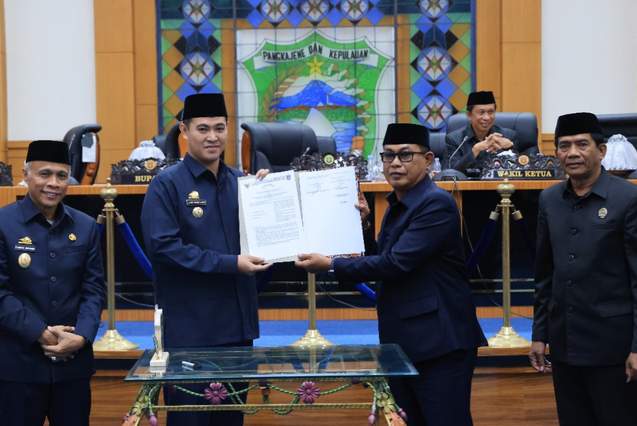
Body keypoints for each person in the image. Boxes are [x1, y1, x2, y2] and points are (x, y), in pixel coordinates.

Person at [295, 123, 487, 426]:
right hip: (408, 339)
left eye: (405, 155)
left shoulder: (435, 203)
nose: (395, 163)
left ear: (428, 160)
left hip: (440, 343)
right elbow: (385, 257)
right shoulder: (400, 202)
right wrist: (364, 226)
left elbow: (396, 264)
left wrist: (330, 264)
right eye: (388, 156)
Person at [141, 93, 271, 426]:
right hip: (190, 332)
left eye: (219, 128)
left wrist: (269, 198)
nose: (212, 137)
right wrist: (231, 264)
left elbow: (266, 243)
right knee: (190, 419)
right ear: (184, 131)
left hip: (237, 331)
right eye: (202, 129)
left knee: (230, 420)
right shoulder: (166, 185)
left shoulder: (243, 184)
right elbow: (164, 248)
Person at [529, 112, 637, 426]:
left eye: (582, 144)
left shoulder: (628, 198)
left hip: (613, 347)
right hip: (565, 344)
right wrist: (539, 334)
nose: (572, 153)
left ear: (601, 151)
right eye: (564, 146)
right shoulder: (549, 199)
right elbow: (544, 273)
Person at [0, 140, 105, 426]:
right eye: (44, 174)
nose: (53, 184)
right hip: (18, 367)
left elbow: (94, 289)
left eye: (61, 175)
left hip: (73, 366)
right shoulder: (3, 223)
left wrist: (82, 336)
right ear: (26, 174)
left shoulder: (85, 226)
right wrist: (40, 333)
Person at [445, 90, 518, 174]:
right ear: (469, 115)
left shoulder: (508, 136)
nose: (486, 117)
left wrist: (510, 148)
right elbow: (449, 173)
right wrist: (475, 150)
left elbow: (521, 168)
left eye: (491, 112)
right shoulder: (454, 140)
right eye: (481, 112)